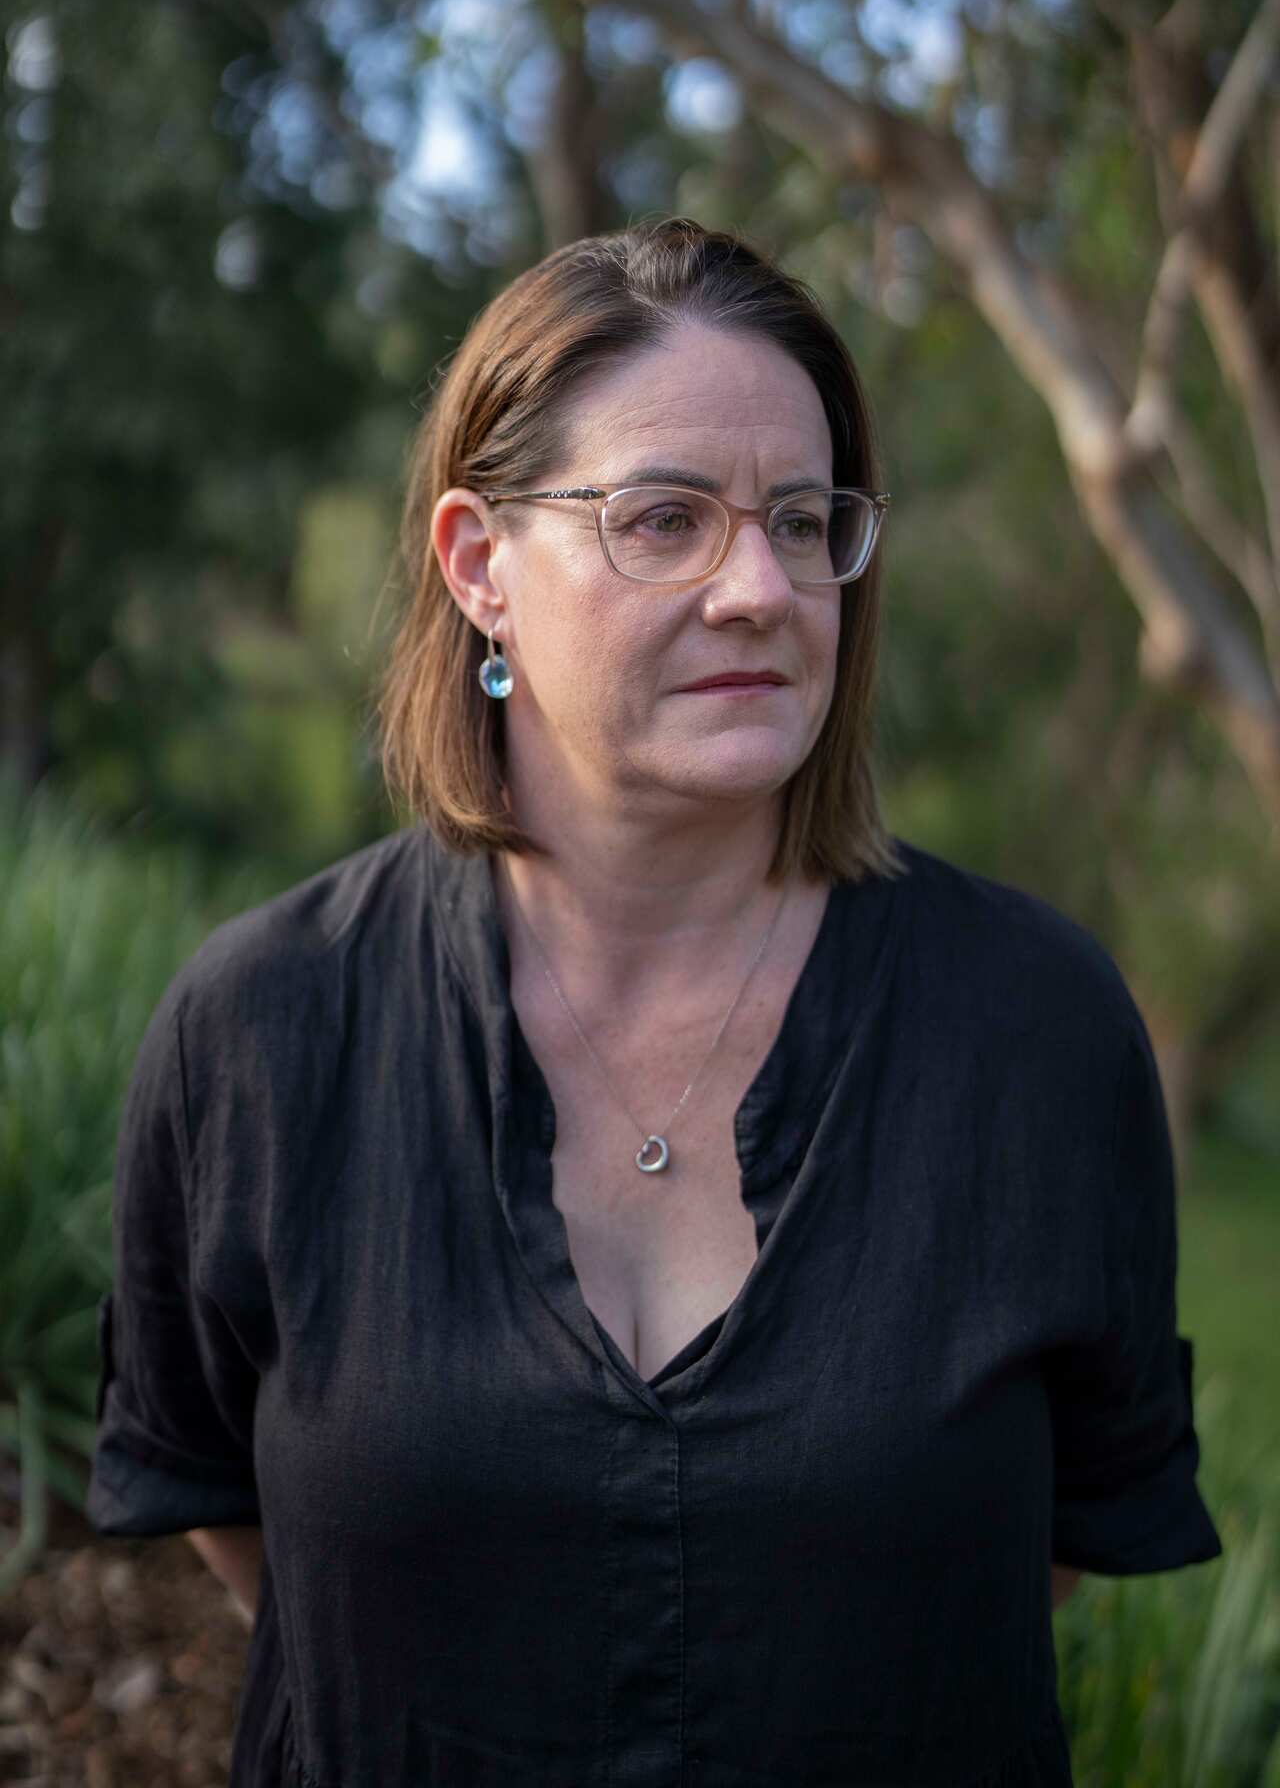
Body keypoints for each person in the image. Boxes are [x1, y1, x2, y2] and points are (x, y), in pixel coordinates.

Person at [87, 216, 1222, 1788]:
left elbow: (1049, 1541)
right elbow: (233, 1505)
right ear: (480, 565)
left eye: (806, 520)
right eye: (665, 519)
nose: (760, 588)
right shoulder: (266, 1030)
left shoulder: (1033, 1029)